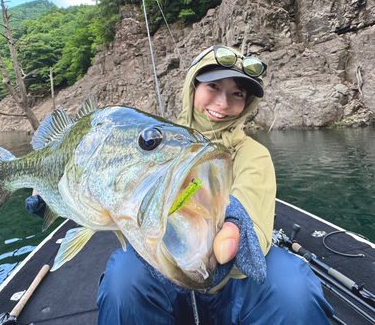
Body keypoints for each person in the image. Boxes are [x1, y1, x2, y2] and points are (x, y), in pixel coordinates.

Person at [96, 45, 334, 324]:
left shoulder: (253, 154)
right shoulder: (154, 143)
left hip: (236, 279)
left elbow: (249, 201)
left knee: (294, 289)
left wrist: (236, 223)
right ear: (192, 87)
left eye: (237, 94)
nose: (222, 103)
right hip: (163, 264)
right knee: (123, 280)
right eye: (213, 87)